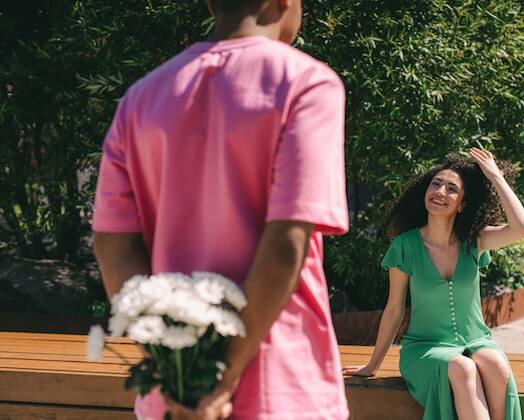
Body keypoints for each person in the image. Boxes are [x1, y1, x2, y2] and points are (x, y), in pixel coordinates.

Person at [92, 1, 350, 419]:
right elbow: (286, 244)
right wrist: (222, 379)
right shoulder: (307, 84)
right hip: (279, 385)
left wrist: (177, 374)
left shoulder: (140, 99)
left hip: (173, 398)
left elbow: (112, 246)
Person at [343, 149, 524, 420]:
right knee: (462, 368)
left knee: (496, 364)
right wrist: (373, 364)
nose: (440, 191)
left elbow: (521, 228)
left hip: (477, 340)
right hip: (425, 349)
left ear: (462, 204)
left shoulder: (474, 242)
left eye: (451, 188)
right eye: (436, 184)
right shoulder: (405, 245)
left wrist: (495, 176)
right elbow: (394, 310)